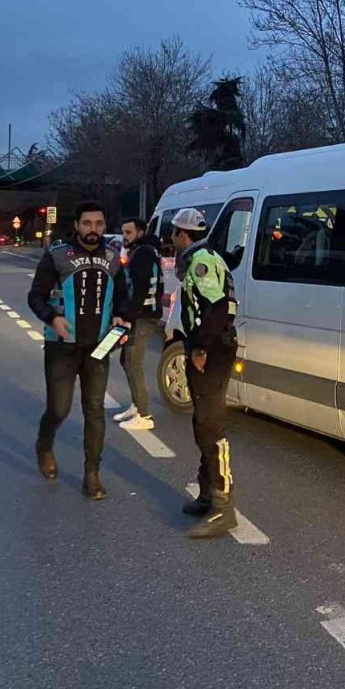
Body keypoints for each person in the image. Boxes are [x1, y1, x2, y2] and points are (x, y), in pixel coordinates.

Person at [27, 201, 132, 500]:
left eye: (99, 224)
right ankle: (44, 445)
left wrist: (121, 316)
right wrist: (52, 317)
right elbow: (35, 296)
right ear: (77, 225)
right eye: (87, 224)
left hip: (99, 347)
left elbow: (124, 298)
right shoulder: (57, 255)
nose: (93, 230)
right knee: (59, 409)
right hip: (61, 346)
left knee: (95, 411)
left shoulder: (113, 259)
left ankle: (92, 474)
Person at [171, 207, 240, 539]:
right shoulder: (208, 257)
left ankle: (223, 506)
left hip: (212, 351)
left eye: (173, 234)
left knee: (210, 425)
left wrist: (201, 349)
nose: (172, 241)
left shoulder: (201, 261)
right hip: (211, 347)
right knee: (202, 420)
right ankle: (207, 491)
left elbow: (219, 308)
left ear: (183, 235)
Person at [112, 217, 163, 432]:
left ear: (140, 233)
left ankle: (144, 414)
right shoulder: (146, 250)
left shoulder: (143, 253)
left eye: (129, 232)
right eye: (123, 231)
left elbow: (141, 289)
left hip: (143, 315)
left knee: (133, 361)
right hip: (142, 313)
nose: (124, 236)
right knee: (126, 360)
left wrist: (128, 316)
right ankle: (136, 405)